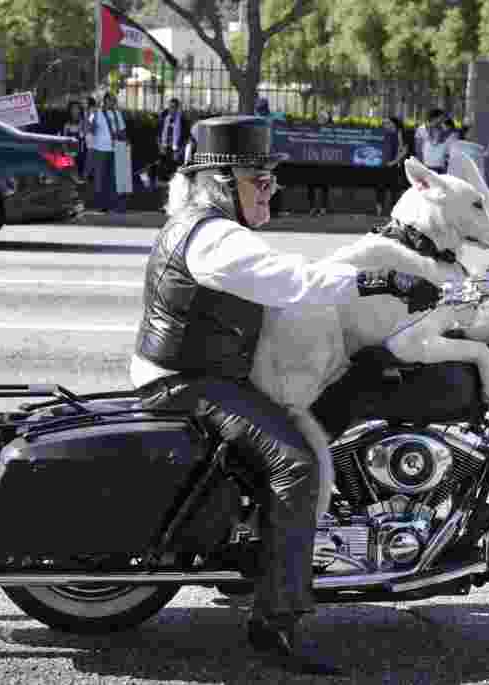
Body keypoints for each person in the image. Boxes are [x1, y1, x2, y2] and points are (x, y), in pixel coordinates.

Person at [128, 115, 441, 674]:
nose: (270, 189)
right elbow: (288, 280)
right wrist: (381, 281)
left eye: (271, 178)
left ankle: (269, 551)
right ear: (221, 183)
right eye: (259, 179)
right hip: (188, 382)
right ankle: (275, 620)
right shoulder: (213, 236)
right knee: (295, 464)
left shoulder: (208, 228)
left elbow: (283, 281)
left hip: (202, 370)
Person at [88, 92, 127, 212]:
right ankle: (102, 205)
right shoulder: (97, 113)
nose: (111, 102)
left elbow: (122, 130)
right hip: (100, 149)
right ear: (104, 101)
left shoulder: (117, 113)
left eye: (113, 100)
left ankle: (115, 205)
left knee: (114, 179)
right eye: (109, 100)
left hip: (116, 149)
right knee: (101, 178)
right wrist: (92, 117)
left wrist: (124, 142)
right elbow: (90, 129)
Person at [375, 115, 408, 216]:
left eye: (388, 123)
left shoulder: (399, 133)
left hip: (394, 165)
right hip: (383, 164)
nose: (385, 125)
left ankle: (394, 211)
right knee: (380, 187)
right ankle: (379, 211)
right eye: (384, 123)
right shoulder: (383, 133)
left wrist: (394, 162)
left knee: (394, 189)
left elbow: (404, 151)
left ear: (394, 124)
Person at [157, 97, 190, 188]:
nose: (171, 109)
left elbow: (186, 138)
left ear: (178, 108)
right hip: (164, 150)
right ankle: (162, 189)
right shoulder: (164, 119)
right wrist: (160, 147)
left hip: (176, 152)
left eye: (174, 107)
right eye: (170, 107)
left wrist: (179, 152)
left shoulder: (183, 121)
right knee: (162, 175)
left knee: (175, 177)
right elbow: (158, 135)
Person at [307, 111, 333, 216]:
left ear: (327, 119)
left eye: (323, 118)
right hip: (313, 161)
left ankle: (323, 208)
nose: (321, 119)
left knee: (325, 186)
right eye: (320, 117)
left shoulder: (331, 130)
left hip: (325, 162)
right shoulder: (312, 128)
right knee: (311, 185)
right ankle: (312, 207)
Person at [414, 108, 452, 173]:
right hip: (426, 164)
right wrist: (421, 164)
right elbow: (418, 149)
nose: (443, 120)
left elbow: (444, 144)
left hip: (440, 165)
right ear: (434, 118)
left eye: (443, 118)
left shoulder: (443, 129)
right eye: (441, 118)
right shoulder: (421, 129)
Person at [60, 101, 88, 177]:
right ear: (70, 111)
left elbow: (86, 136)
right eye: (73, 108)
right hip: (69, 153)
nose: (75, 111)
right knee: (68, 174)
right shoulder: (67, 124)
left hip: (81, 153)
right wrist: (66, 152)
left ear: (80, 110)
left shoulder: (84, 122)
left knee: (80, 174)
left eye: (77, 108)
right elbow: (63, 140)